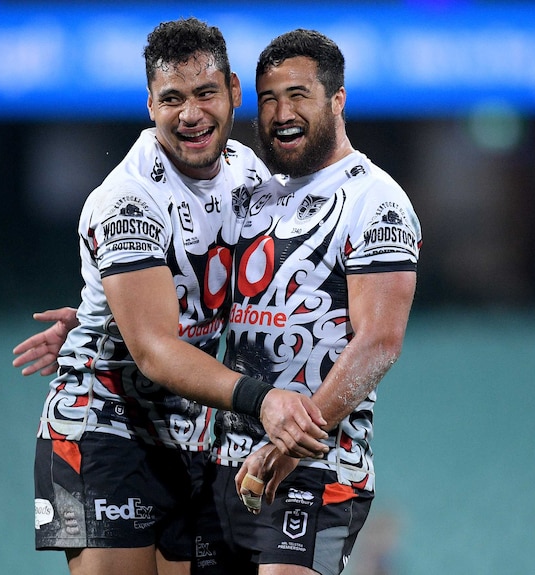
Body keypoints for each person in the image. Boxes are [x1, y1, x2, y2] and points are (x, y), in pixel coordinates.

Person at [17, 19, 329, 575]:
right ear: (150, 105)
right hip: (103, 427)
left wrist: (97, 314)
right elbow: (156, 350)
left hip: (191, 436)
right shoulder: (128, 200)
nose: (190, 114)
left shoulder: (248, 172)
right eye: (172, 99)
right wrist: (265, 399)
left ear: (233, 91)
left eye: (205, 93)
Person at [191, 29, 421, 575]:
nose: (281, 112)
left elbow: (380, 343)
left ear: (337, 100)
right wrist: (96, 324)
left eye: (299, 95)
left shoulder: (376, 200)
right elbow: (194, 299)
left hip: (315, 470)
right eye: (269, 99)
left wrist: (290, 446)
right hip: (225, 465)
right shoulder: (253, 196)